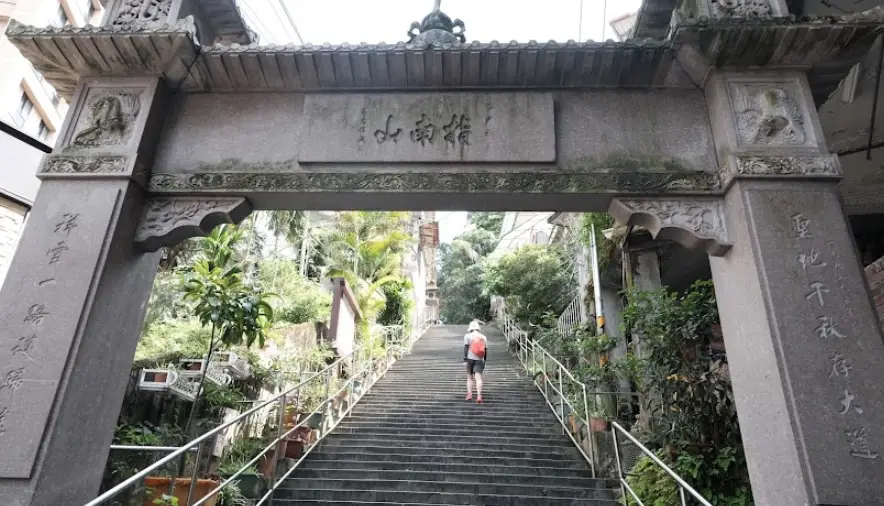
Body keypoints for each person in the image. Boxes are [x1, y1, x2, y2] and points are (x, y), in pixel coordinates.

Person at [463, 320, 488, 404]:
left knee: (470, 377)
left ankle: (469, 394)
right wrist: (484, 360)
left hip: (470, 359)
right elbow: (485, 350)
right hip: (480, 359)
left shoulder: (467, 336)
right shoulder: (483, 337)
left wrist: (465, 359)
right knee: (478, 378)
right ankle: (479, 396)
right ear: (478, 328)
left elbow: (466, 348)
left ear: (470, 328)